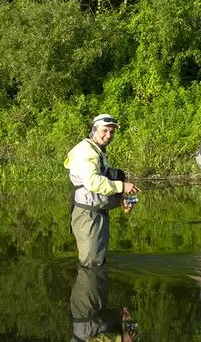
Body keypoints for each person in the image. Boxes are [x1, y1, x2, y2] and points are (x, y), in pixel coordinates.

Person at [64, 114, 140, 268]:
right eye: (104, 131)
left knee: (97, 263)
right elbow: (92, 182)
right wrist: (121, 186)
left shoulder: (98, 151)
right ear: (94, 130)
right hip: (88, 216)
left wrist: (121, 199)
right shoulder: (86, 151)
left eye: (112, 132)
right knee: (91, 265)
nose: (108, 135)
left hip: (98, 214)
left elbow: (104, 182)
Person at [69, 265, 139, 342]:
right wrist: (121, 318)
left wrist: (121, 339)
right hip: (97, 314)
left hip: (86, 310)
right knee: (99, 265)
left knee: (91, 264)